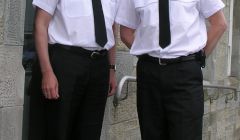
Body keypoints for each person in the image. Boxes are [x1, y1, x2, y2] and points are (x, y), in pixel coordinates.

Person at [115, 0, 227, 139]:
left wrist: (199, 57)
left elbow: (219, 24)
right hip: (150, 74)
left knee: (186, 134)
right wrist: (149, 55)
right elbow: (126, 32)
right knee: (152, 133)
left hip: (185, 73)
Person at [28, 0, 117, 140]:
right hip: (65, 61)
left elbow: (110, 28)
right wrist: (47, 71)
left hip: (99, 65)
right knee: (58, 128)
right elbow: (40, 24)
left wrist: (111, 69)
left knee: (90, 130)